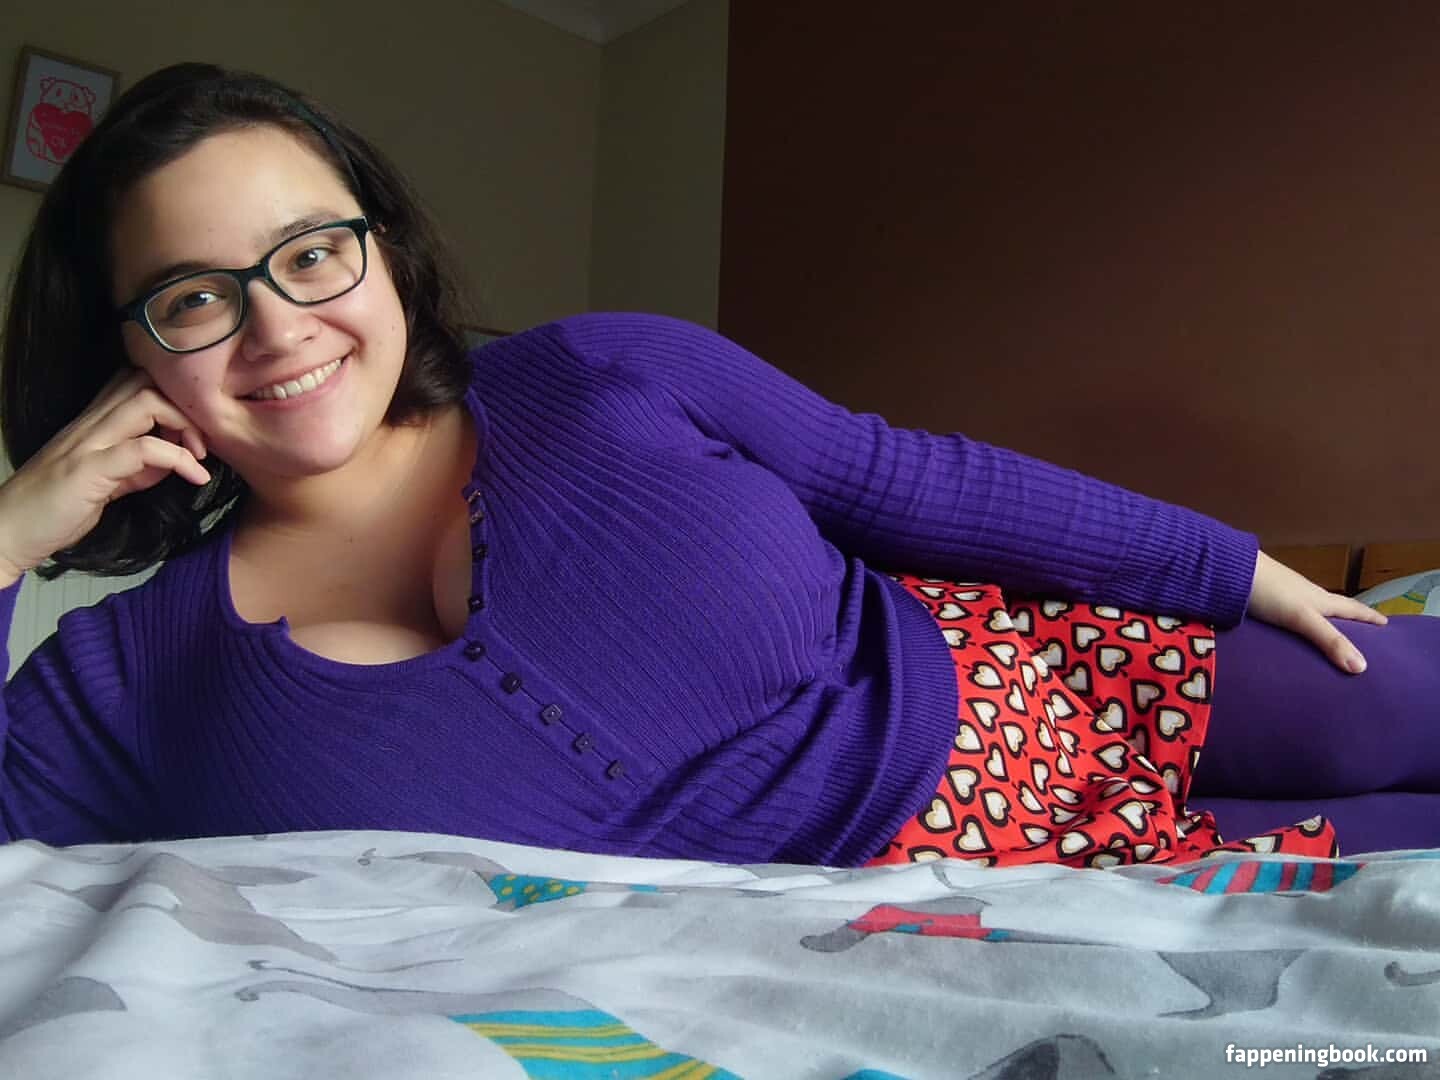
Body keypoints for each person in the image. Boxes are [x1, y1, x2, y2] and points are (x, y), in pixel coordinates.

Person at [1, 63, 1437, 867]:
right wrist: (8, 536)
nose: (279, 327)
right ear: (125, 353)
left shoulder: (602, 369)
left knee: (1397, 705)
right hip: (969, 908)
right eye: (194, 297)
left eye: (313, 254)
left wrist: (1230, 567)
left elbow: (916, 479)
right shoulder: (127, 679)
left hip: (1052, 679)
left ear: (381, 250)